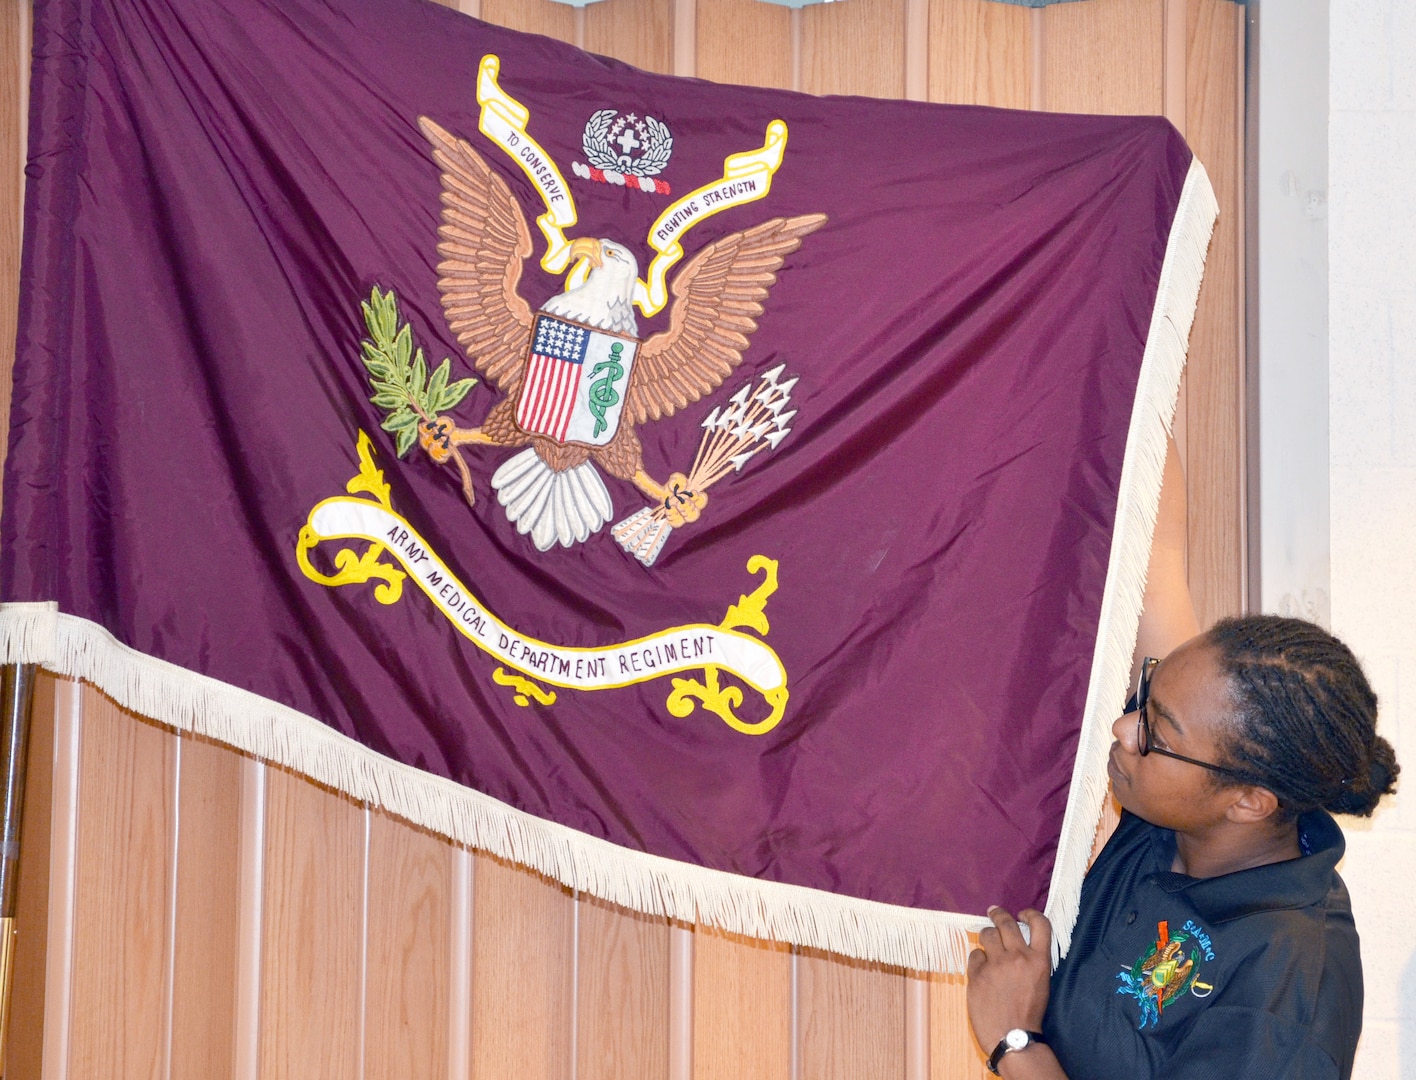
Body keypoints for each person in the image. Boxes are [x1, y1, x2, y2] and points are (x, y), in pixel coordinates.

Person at [965, 614, 1399, 1078]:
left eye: (1156, 732)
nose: (1124, 728)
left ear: (1249, 802)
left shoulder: (1285, 1000)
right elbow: (1154, 585)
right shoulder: (1181, 799)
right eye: (1147, 700)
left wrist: (1015, 1041)